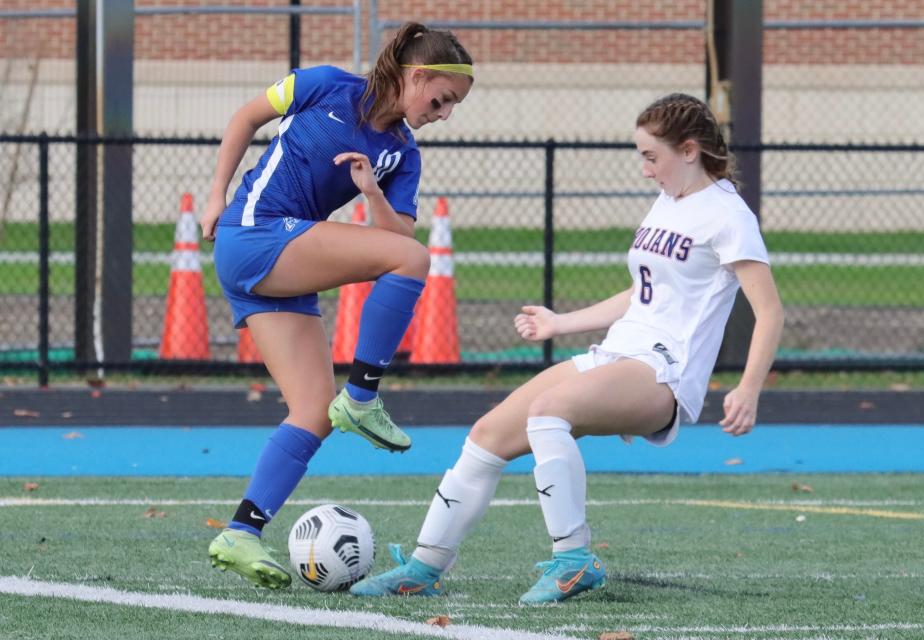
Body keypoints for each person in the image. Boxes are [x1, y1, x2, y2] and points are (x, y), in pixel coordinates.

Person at [350, 93, 784, 604]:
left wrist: (748, 388)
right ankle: (423, 568)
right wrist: (562, 324)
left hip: (663, 372)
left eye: (651, 156)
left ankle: (574, 559)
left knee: (548, 412)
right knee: (487, 434)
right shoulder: (670, 200)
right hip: (616, 355)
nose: (645, 170)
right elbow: (644, 293)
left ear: (689, 150)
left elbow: (770, 311)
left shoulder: (729, 214)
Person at [202, 22, 474, 590]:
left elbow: (396, 232)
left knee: (312, 411)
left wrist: (370, 190)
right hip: (255, 233)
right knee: (416, 262)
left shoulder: (401, 153)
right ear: (415, 75)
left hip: (279, 260)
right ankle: (364, 395)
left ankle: (241, 532)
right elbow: (246, 118)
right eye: (441, 99)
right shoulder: (324, 85)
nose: (444, 112)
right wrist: (215, 194)